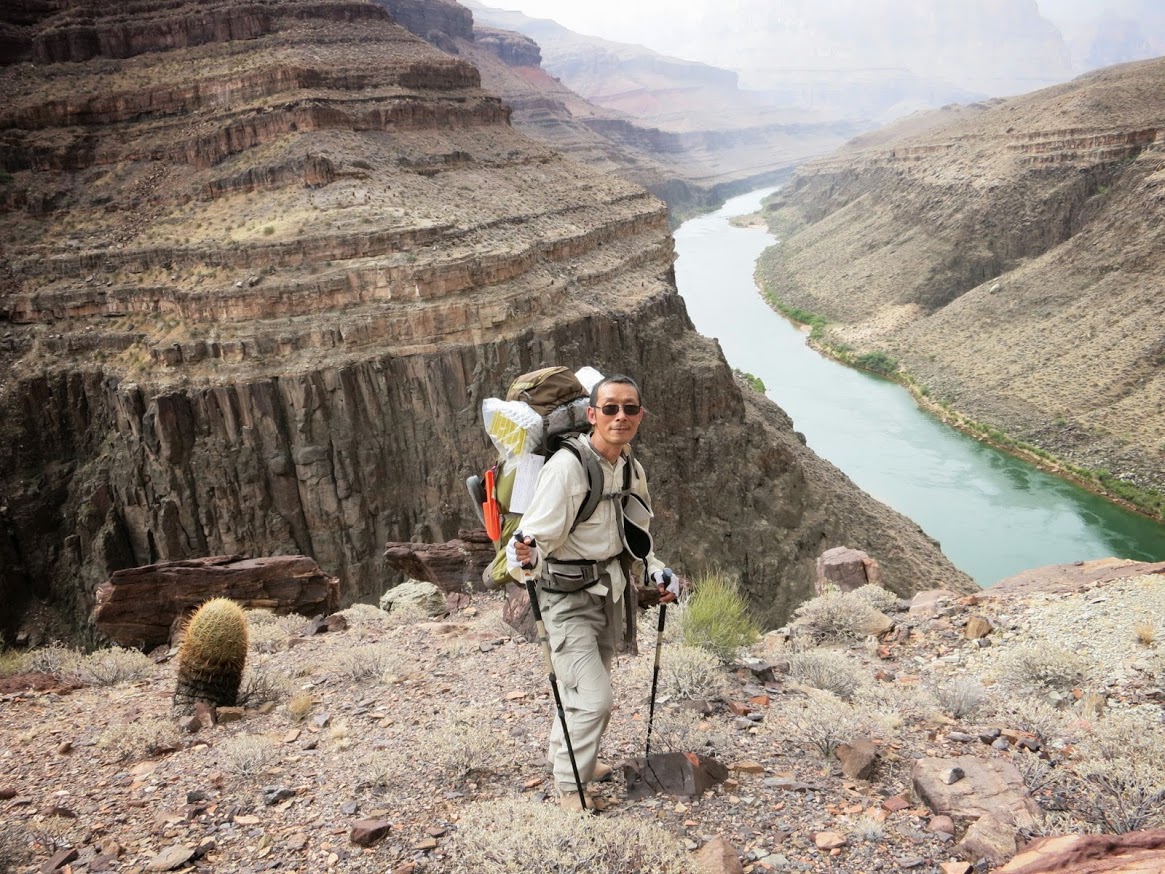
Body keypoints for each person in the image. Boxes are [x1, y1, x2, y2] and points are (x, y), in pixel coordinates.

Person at [507, 374, 677, 811]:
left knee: (583, 689)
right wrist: (525, 557)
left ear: (641, 414)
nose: (621, 416)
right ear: (592, 415)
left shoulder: (629, 468)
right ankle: (570, 789)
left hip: (609, 592)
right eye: (610, 408)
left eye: (630, 408)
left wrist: (656, 571)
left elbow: (638, 533)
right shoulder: (567, 468)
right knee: (595, 698)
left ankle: (579, 761)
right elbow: (531, 542)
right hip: (565, 598)